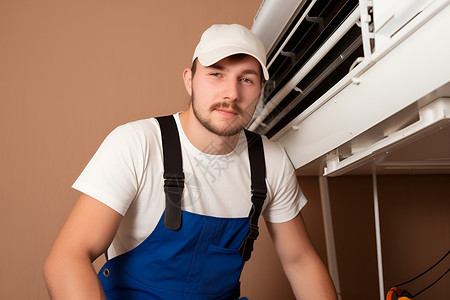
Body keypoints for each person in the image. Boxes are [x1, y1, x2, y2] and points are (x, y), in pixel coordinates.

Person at [43, 24, 337, 300]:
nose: (231, 94)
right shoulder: (137, 143)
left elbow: (300, 262)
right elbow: (67, 258)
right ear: (189, 80)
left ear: (259, 90)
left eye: (246, 79)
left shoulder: (270, 161)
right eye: (216, 74)